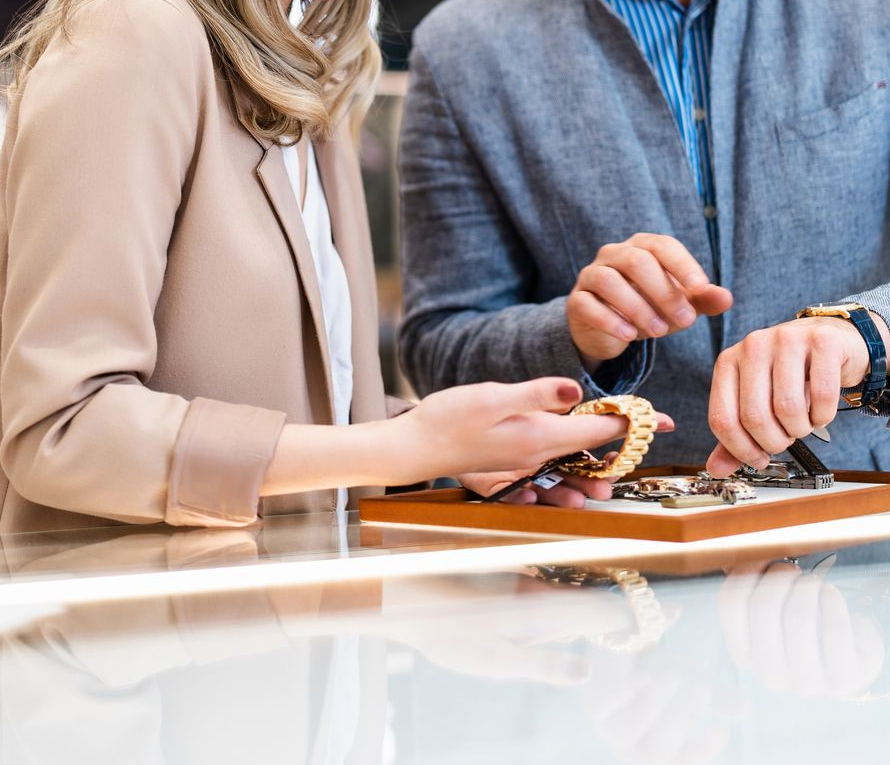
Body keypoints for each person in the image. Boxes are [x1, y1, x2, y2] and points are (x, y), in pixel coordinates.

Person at [0, 0, 656, 533]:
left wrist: (459, 451)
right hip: (153, 665)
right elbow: (60, 427)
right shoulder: (131, 29)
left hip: (305, 656)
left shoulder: (316, 71)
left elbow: (301, 406)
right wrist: (405, 447)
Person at [399, 0, 890, 478]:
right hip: (616, 566)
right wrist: (574, 336)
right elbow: (438, 344)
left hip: (879, 547)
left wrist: (870, 337)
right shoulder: (463, 46)